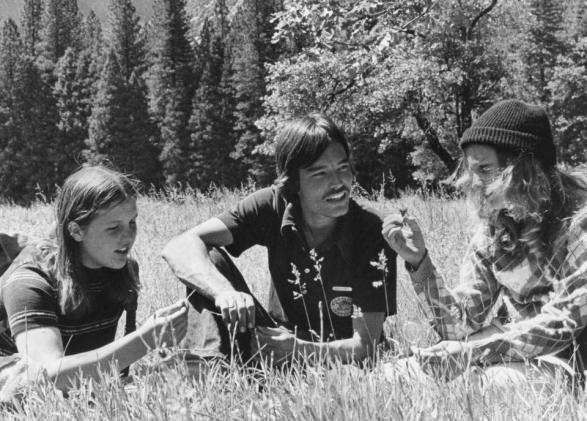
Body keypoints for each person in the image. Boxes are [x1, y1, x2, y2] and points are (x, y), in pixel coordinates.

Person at [382, 99, 587, 388]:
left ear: (524, 167)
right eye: (470, 171)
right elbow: (461, 324)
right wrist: (420, 263)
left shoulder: (580, 222)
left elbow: (562, 324)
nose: (472, 182)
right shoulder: (496, 229)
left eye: (485, 169)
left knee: (488, 383)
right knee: (397, 375)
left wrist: (474, 352)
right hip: (511, 349)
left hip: (572, 360)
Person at [162, 113, 396, 366]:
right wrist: (223, 293)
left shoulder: (372, 231)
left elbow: (366, 346)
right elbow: (180, 246)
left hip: (336, 359)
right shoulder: (272, 205)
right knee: (209, 257)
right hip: (276, 340)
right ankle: (204, 368)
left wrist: (300, 349)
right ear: (294, 182)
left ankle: (220, 369)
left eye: (343, 168)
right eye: (320, 174)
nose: (338, 183)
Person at [0, 165, 188, 401]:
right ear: (76, 231)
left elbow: (111, 372)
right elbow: (46, 377)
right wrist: (144, 340)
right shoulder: (29, 282)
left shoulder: (122, 270)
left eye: (132, 223)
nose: (128, 236)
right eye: (113, 228)